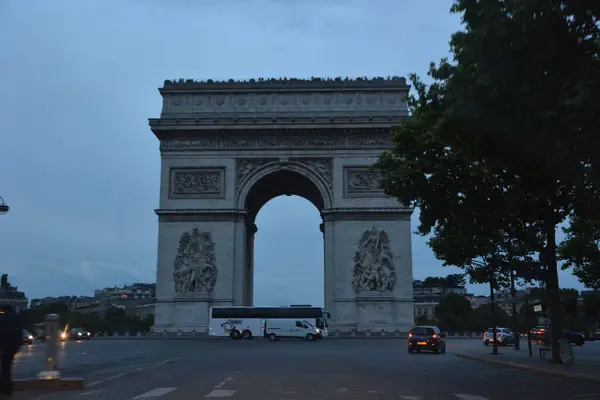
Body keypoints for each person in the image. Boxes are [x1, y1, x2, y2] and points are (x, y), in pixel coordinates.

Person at [0, 304, 23, 395]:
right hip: (13, 346)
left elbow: (2, 334)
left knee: (5, 368)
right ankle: (7, 388)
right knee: (7, 367)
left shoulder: (4, 319)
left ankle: (5, 388)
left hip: (5, 346)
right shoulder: (17, 318)